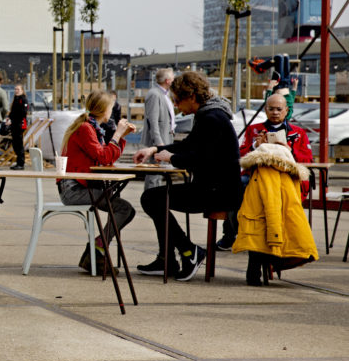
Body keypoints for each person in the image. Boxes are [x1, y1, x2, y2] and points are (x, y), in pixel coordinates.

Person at [133, 71, 242, 281]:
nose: (175, 105)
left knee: (152, 198)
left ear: (191, 97)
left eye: (177, 99)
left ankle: (187, 251)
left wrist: (171, 158)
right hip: (215, 187)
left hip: (218, 192)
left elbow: (202, 158)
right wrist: (154, 149)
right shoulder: (210, 114)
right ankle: (170, 259)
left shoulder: (211, 118)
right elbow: (189, 145)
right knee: (155, 198)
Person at [216, 93, 313, 250]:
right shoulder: (254, 130)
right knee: (235, 188)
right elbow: (240, 154)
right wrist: (256, 146)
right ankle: (231, 234)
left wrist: (289, 150)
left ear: (286, 110)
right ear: (265, 110)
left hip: (286, 179)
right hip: (255, 177)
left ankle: (286, 237)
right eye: (271, 109)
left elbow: (308, 160)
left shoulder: (298, 133)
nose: (275, 112)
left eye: (279, 109)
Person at [58, 90, 137, 274]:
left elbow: (107, 158)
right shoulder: (86, 128)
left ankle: (97, 250)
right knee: (124, 209)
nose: (113, 111)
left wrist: (121, 137)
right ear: (104, 110)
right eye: (111, 107)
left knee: (126, 209)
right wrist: (117, 135)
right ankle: (97, 249)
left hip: (80, 186)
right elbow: (103, 157)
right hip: (73, 190)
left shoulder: (93, 128)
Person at [233, 143, 318, 286]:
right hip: (280, 223)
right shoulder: (287, 172)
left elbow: (271, 203)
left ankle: (256, 271)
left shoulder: (265, 170)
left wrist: (275, 237)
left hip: (259, 223)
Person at [141, 68, 176, 190]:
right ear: (167, 81)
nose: (174, 81)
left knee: (158, 174)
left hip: (164, 140)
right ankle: (150, 200)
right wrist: (158, 143)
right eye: (172, 78)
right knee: (154, 175)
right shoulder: (155, 95)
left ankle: (155, 200)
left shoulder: (164, 94)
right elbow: (153, 121)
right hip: (157, 142)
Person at [6, 84, 30, 169]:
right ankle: (18, 162)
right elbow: (12, 111)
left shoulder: (23, 99)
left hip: (20, 124)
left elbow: (23, 112)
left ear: (22, 90)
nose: (16, 91)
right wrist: (9, 118)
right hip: (14, 124)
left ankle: (21, 163)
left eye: (18, 89)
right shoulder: (15, 100)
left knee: (19, 143)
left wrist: (13, 119)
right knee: (15, 143)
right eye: (15, 89)